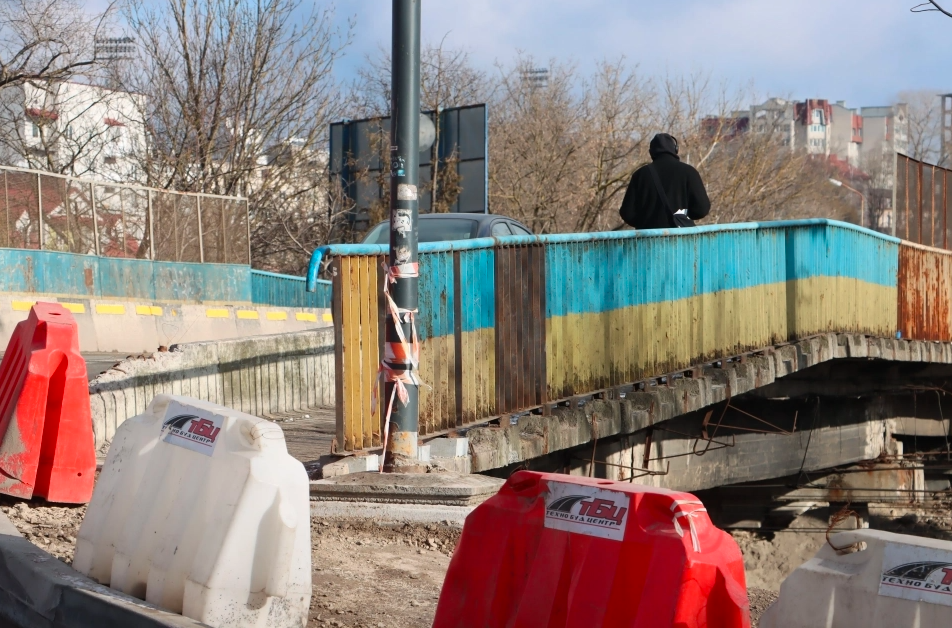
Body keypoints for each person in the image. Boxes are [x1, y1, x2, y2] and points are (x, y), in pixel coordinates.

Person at [618, 133, 711, 230]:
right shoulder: (689, 172)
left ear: (651, 152)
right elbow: (702, 209)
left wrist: (644, 222)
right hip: (682, 238)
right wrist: (684, 217)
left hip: (648, 240)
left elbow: (627, 213)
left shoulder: (640, 175)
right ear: (676, 150)